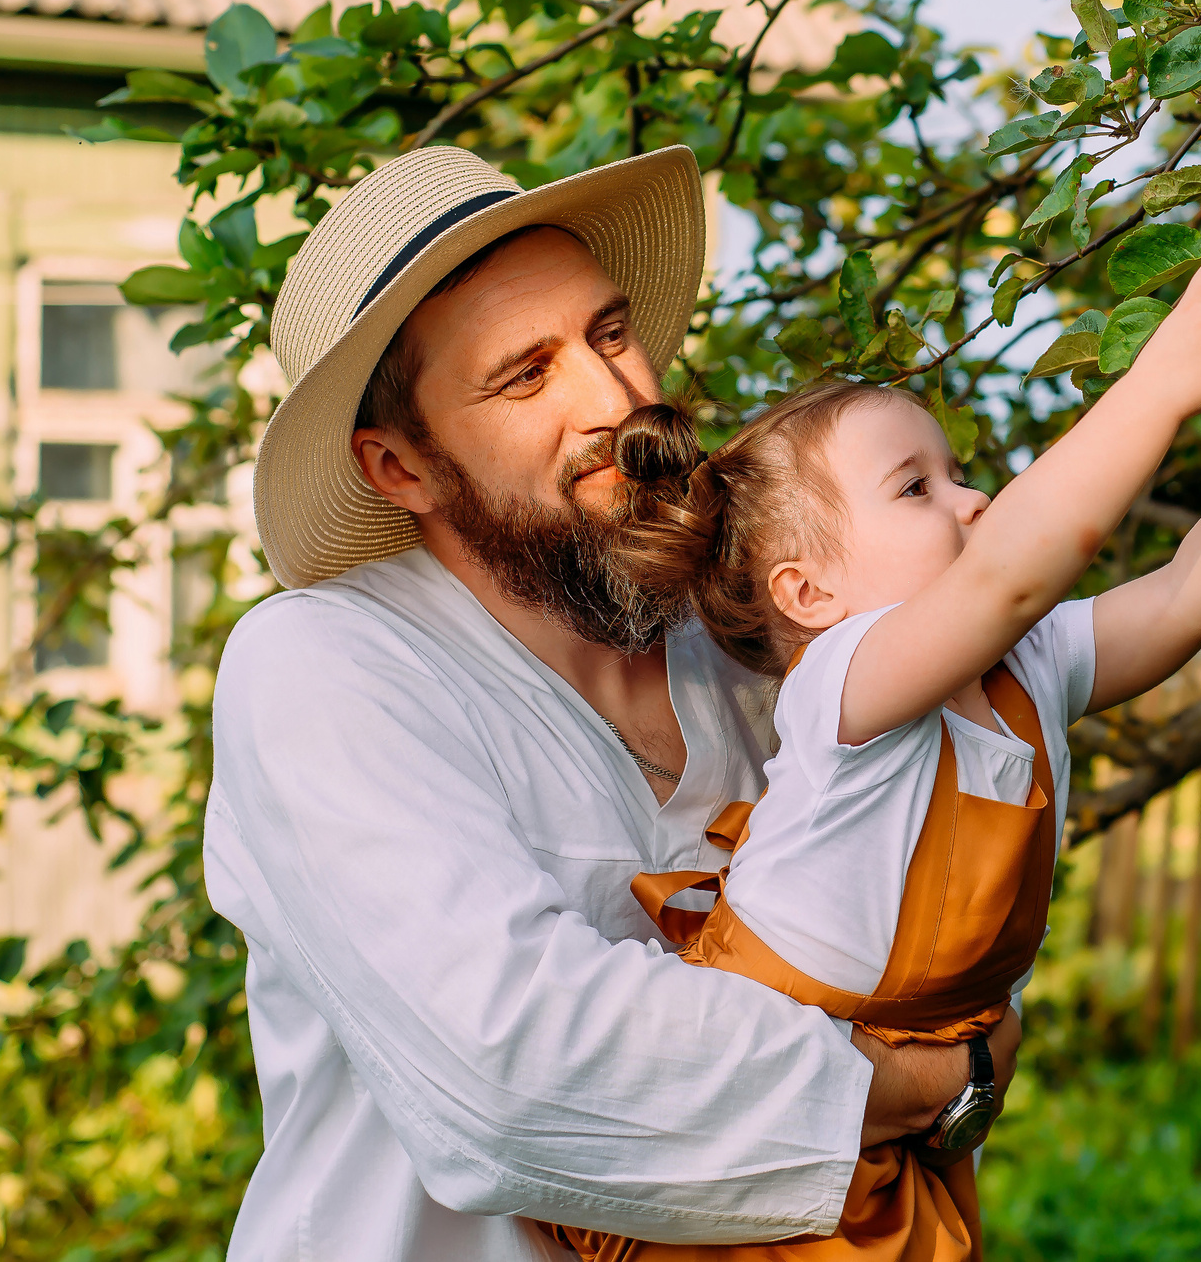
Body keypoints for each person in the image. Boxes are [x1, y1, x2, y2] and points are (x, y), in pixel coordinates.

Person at [206, 144, 1015, 1262]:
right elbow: (511, 1069)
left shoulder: (752, 641)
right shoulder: (325, 667)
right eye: (525, 376)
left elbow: (938, 878)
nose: (619, 399)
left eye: (610, 333)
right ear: (401, 467)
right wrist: (935, 1078)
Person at [544, 247, 1201, 1260]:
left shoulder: (1030, 662)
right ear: (808, 594)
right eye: (916, 488)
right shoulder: (847, 682)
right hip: (761, 1101)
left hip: (890, 1114)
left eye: (959, 474)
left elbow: (1185, 593)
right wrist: (1156, 386)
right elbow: (1007, 573)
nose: (975, 500)